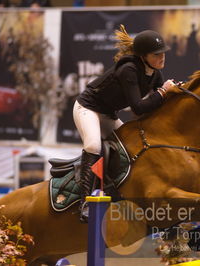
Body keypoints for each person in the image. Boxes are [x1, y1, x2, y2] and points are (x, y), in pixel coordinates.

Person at [73, 25, 180, 222]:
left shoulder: (155, 73)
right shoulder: (129, 70)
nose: (162, 57)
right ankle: (85, 203)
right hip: (87, 108)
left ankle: (112, 188)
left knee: (129, 148)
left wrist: (174, 92)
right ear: (143, 56)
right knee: (94, 145)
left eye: (163, 53)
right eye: (156, 54)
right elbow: (138, 107)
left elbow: (159, 100)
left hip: (107, 113)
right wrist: (164, 92)